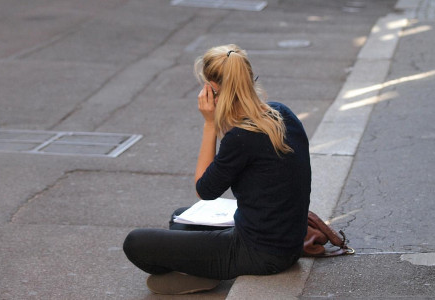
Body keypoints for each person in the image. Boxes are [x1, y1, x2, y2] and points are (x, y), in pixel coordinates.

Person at [123, 44, 311, 295]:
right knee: (180, 219)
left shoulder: (242, 136)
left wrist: (210, 125)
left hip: (260, 254)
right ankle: (199, 269)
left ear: (212, 90)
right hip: (288, 244)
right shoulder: (281, 112)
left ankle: (201, 272)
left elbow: (205, 189)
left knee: (136, 243)